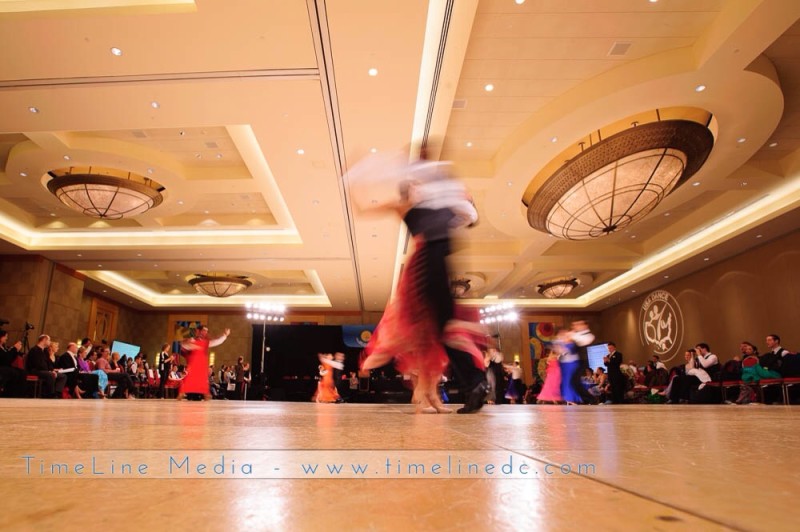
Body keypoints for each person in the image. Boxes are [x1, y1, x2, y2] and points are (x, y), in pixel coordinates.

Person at [360, 145, 487, 414]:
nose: (421, 185)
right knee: (437, 330)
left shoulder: (434, 198)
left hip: (437, 259)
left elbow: (464, 215)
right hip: (424, 263)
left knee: (439, 331)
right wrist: (355, 180)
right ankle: (463, 386)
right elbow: (364, 209)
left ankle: (461, 386)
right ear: (410, 188)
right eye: (416, 184)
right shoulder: (408, 204)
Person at [179, 325, 230, 400]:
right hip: (194, 363)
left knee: (202, 380)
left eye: (206, 331)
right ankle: (183, 394)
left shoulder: (205, 342)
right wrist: (187, 344)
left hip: (202, 363)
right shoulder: (192, 340)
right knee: (191, 379)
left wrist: (224, 335)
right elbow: (184, 345)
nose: (205, 332)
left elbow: (215, 342)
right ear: (198, 331)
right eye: (204, 330)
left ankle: (205, 394)